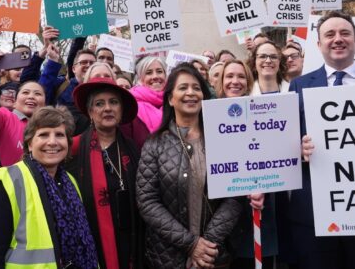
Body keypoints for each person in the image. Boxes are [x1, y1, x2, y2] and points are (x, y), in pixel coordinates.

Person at [136, 63, 242, 269]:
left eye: (196, 88)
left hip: (214, 255)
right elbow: (147, 201)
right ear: (170, 98)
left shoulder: (223, 138)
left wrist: (207, 244)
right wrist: (190, 244)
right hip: (168, 257)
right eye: (183, 88)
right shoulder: (155, 144)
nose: (191, 93)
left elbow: (235, 195)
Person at [284, 11, 355, 269]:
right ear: (318, 44)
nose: (338, 39)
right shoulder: (299, 85)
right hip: (312, 214)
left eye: (345, 33)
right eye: (330, 34)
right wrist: (297, 148)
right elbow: (284, 144)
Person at [0, 106, 99, 268]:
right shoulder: (11, 180)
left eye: (59, 135)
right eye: (43, 134)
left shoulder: (71, 181)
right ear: (30, 144)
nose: (52, 142)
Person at [71, 77, 144, 269]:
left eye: (113, 102)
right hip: (90, 241)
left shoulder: (134, 149)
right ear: (90, 112)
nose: (107, 108)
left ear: (121, 109)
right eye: (99, 104)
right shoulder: (73, 149)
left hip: (131, 240)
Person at [216, 60, 275, 269]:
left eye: (241, 76)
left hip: (256, 217)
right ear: (221, 82)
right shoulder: (208, 116)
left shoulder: (263, 113)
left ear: (248, 81)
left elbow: (275, 161)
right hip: (219, 220)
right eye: (229, 76)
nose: (235, 81)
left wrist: (264, 186)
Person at [0, 54, 46, 166]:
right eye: (25, 92)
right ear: (14, 102)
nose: (31, 96)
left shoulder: (49, 128)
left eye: (37, 94)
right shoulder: (4, 117)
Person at [130, 55, 166, 133]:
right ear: (140, 79)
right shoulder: (131, 106)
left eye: (159, 71)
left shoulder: (175, 101)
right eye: (149, 73)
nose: (155, 76)